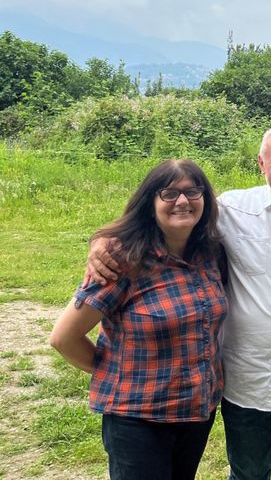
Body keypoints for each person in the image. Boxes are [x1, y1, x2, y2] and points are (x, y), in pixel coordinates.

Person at [89, 125, 271, 480]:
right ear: (261, 164)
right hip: (245, 382)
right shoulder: (231, 211)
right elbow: (169, 216)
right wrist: (103, 242)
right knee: (249, 474)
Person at [50, 159, 227, 480]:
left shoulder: (210, 253)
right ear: (151, 202)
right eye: (169, 193)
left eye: (192, 191)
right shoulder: (122, 259)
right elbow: (63, 338)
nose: (183, 201)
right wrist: (114, 372)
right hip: (137, 419)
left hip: (196, 413)